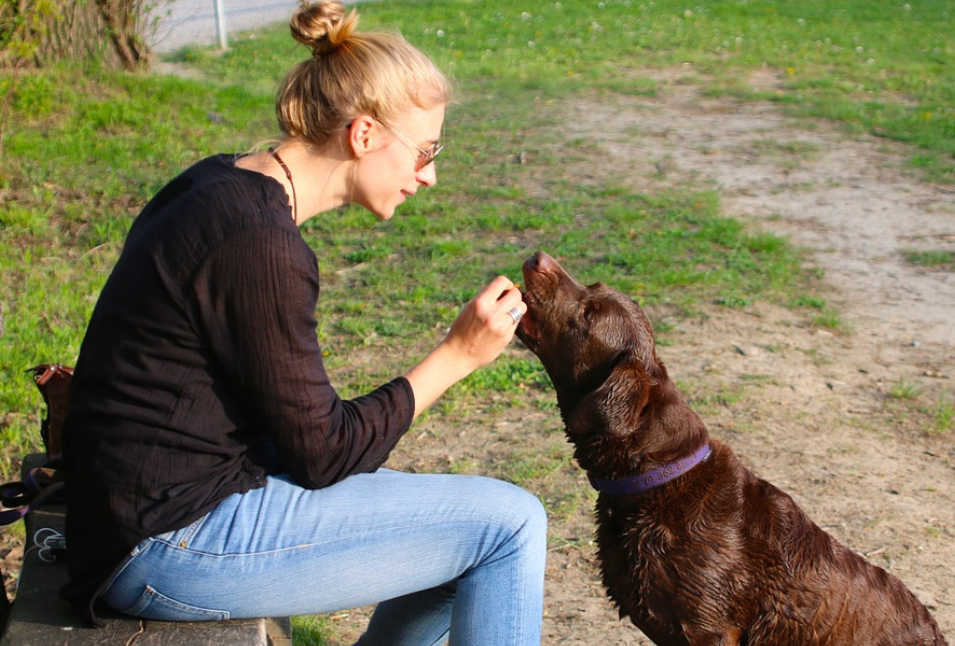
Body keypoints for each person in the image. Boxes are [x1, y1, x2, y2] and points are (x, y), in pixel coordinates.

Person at [59, 2, 547, 644]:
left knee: (462, 525)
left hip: (143, 513)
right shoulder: (261, 245)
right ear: (364, 134)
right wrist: (458, 354)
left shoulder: (220, 183)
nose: (430, 175)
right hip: (165, 541)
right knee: (509, 525)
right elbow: (324, 456)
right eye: (425, 151)